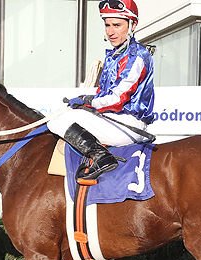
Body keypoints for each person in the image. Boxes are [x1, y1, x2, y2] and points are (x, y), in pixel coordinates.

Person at [47, 0, 155, 182]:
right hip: (115, 119)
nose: (111, 31)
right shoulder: (115, 55)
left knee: (57, 122)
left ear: (133, 25)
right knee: (67, 114)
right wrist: (87, 100)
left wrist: (89, 101)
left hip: (129, 124)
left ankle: (101, 157)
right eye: (107, 25)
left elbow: (117, 99)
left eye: (117, 25)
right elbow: (104, 95)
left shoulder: (137, 56)